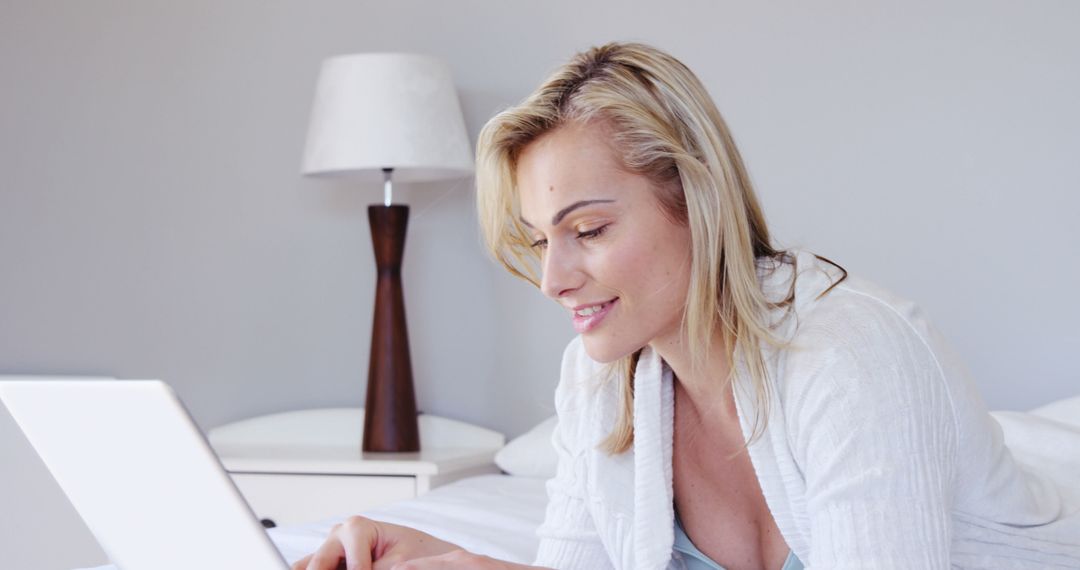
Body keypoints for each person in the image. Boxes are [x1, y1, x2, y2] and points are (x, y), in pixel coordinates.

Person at [294, 42, 1080, 570]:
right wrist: (449, 561)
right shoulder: (600, 379)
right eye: (540, 241)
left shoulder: (848, 355)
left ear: (695, 201)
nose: (555, 280)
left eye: (590, 229)